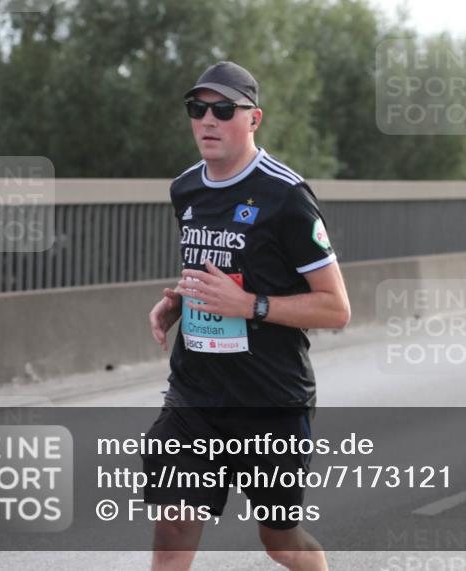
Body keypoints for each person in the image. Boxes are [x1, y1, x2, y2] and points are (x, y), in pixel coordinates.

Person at [145, 61, 351, 571]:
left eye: (223, 109)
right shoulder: (186, 189)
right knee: (173, 525)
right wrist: (180, 300)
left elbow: (336, 308)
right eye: (198, 109)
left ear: (253, 118)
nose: (208, 121)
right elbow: (218, 267)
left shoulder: (286, 197)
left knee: (279, 541)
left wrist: (251, 306)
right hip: (196, 391)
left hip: (270, 398)